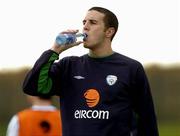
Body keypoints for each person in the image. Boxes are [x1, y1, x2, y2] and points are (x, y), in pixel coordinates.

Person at [23, 6, 159, 136]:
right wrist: (55, 50)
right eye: (84, 22)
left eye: (92, 22)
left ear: (109, 32)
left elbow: (147, 121)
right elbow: (32, 86)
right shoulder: (68, 66)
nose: (85, 26)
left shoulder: (131, 68)